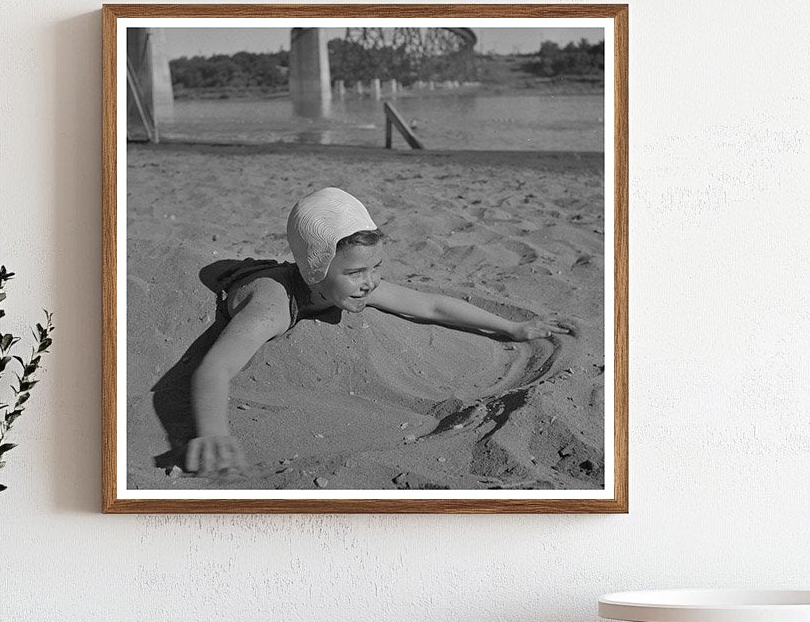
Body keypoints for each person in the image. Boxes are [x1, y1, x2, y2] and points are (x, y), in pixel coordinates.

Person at [186, 187, 572, 476]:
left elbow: (431, 306)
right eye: (356, 272)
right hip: (257, 284)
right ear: (315, 270)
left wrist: (512, 327)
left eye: (376, 267)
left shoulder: (352, 286)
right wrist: (213, 432)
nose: (370, 283)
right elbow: (215, 368)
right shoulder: (270, 310)